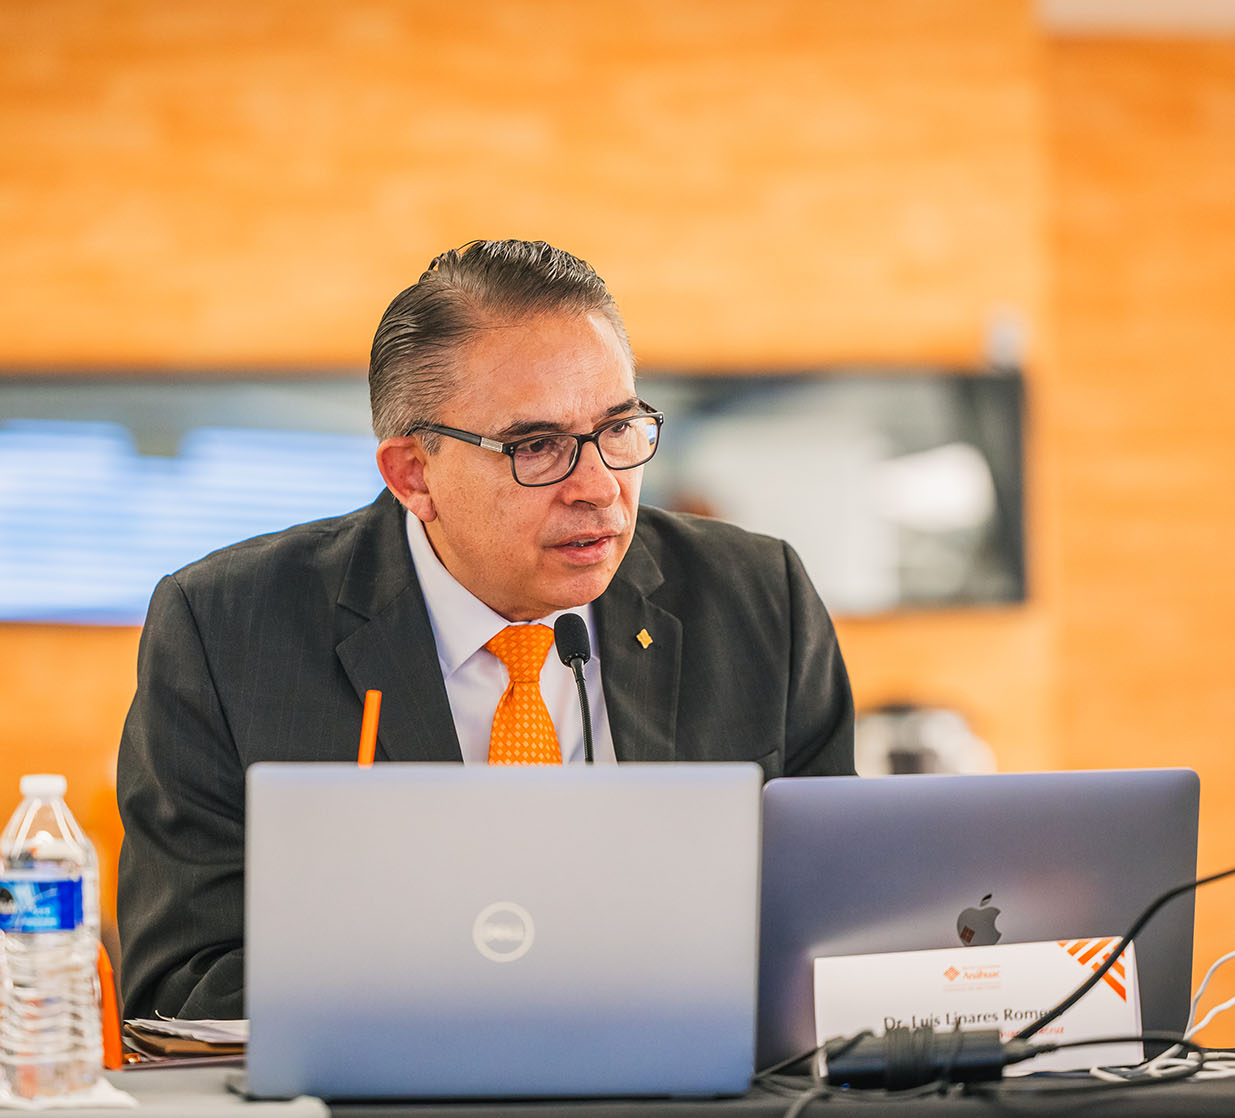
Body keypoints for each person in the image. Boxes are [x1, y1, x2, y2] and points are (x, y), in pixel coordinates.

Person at [117, 239, 856, 1021]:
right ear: (414, 474)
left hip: (699, 1115)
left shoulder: (756, 599)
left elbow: (836, 931)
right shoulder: (228, 629)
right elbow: (180, 985)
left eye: (619, 428)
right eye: (536, 447)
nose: (599, 487)